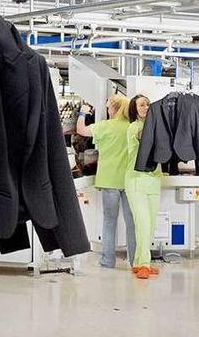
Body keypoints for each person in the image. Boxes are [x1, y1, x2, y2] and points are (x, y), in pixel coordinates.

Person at [77, 95, 135, 269]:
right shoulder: (132, 127)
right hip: (129, 181)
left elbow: (81, 130)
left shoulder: (105, 126)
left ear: (115, 109)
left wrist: (83, 112)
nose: (108, 110)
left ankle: (108, 260)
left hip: (109, 180)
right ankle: (134, 260)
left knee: (110, 221)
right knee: (131, 222)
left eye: (109, 107)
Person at [124, 95, 163, 279]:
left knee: (151, 225)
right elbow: (145, 138)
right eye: (142, 105)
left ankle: (139, 262)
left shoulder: (156, 127)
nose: (146, 107)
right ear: (135, 109)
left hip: (154, 180)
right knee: (143, 223)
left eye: (148, 104)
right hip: (136, 181)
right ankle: (145, 264)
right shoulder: (134, 128)